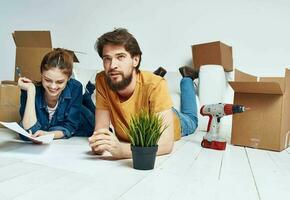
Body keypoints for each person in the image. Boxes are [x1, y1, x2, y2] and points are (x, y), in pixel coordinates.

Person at [88, 28, 198, 159]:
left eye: (120, 57)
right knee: (151, 85)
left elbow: (165, 145)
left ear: (136, 59)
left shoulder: (156, 84)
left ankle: (187, 79)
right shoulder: (102, 80)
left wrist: (123, 151)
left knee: (192, 119)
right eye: (107, 59)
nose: (112, 65)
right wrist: (99, 144)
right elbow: (100, 132)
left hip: (175, 121)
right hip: (148, 110)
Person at [18, 48, 95, 141]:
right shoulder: (30, 89)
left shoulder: (75, 87)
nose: (53, 87)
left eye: (60, 82)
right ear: (41, 74)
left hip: (85, 125)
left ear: (69, 78)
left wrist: (49, 134)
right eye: (47, 80)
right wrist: (31, 90)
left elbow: (70, 126)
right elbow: (28, 132)